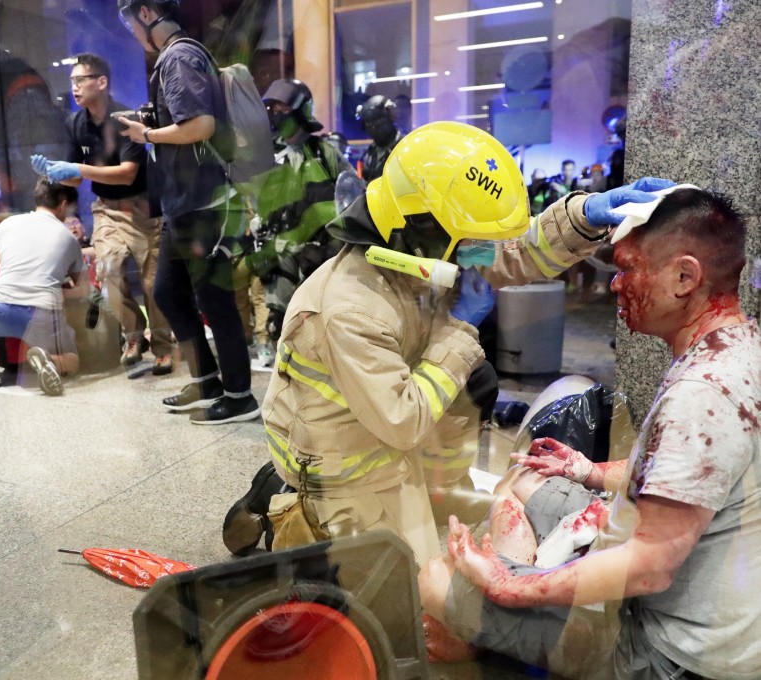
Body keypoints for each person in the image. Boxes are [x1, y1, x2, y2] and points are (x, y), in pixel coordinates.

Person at [226, 122, 673, 570]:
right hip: (345, 464)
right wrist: (459, 327)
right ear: (428, 229)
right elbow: (404, 421)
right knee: (417, 599)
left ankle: (432, 490)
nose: (481, 252)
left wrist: (584, 216)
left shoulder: (422, 252)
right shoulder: (349, 308)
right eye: (472, 241)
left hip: (382, 431)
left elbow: (513, 253)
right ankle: (291, 506)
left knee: (475, 381)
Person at [420, 186, 761, 680]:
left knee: (435, 580)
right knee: (523, 481)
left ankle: (505, 633)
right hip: (708, 601)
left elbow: (651, 566)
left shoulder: (701, 395)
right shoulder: (740, 345)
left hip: (665, 651)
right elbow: (694, 478)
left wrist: (505, 585)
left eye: (628, 268)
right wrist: (587, 470)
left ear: (685, 277)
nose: (615, 285)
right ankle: (516, 611)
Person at [116, 0, 259, 425]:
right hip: (186, 203)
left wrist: (148, 133)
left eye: (129, 23)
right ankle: (208, 380)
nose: (131, 33)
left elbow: (201, 125)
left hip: (203, 203)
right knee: (167, 294)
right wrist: (155, 123)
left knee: (214, 300)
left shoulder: (178, 56)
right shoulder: (178, 56)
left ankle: (239, 395)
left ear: (144, 13)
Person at [30, 52, 173, 375]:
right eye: (72, 82)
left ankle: (163, 344)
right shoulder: (74, 123)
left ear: (102, 82)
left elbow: (126, 173)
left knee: (152, 283)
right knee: (108, 271)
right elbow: (76, 179)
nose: (75, 87)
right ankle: (134, 335)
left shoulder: (125, 117)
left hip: (143, 207)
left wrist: (76, 167)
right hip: (106, 208)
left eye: (81, 80)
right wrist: (54, 172)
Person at [244, 78, 352, 357]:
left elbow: (350, 200)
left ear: (298, 111)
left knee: (327, 329)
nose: (276, 113)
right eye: (273, 107)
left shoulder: (326, 154)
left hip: (323, 257)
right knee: (285, 328)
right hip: (283, 258)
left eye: (283, 107)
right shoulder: (269, 156)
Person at [0, 178, 84, 396]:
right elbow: (81, 287)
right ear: (64, 204)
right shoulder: (69, 238)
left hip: (1, 312)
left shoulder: (8, 224)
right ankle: (52, 361)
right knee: (73, 359)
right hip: (44, 316)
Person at [356, 95, 404, 182]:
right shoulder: (370, 153)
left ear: (390, 117)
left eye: (377, 123)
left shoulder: (404, 147)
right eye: (369, 125)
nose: (373, 129)